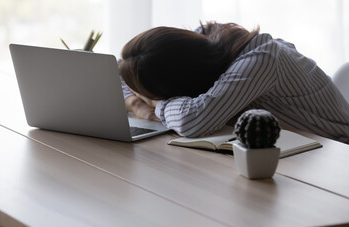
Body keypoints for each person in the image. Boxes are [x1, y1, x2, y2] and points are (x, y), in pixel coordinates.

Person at [119, 21, 349, 143]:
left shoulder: (261, 59)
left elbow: (193, 120)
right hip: (289, 149)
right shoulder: (201, 43)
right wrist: (139, 105)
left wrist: (155, 106)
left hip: (335, 152)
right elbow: (121, 70)